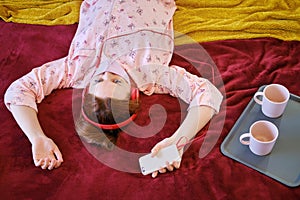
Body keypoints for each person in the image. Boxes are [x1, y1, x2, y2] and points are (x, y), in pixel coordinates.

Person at [4, 0, 223, 178]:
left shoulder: (76, 70)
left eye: (99, 81)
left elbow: (19, 90)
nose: (108, 73)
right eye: (117, 82)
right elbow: (208, 93)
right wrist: (177, 142)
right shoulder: (152, 76)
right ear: (133, 93)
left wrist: (37, 138)